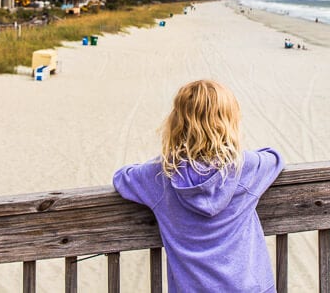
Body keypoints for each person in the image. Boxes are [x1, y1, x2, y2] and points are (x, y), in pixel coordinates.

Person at [113, 80, 284, 293]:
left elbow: (122, 177)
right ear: (231, 123)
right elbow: (275, 157)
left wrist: (165, 160)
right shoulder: (247, 168)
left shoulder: (160, 176)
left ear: (176, 124)